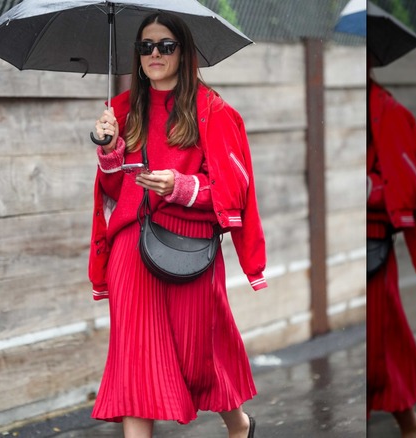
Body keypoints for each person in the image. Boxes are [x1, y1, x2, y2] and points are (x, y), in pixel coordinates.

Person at [87, 12, 266, 438]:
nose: (154, 54)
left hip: (191, 246)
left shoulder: (214, 111)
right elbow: (113, 189)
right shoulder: (120, 110)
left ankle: (238, 425)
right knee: (135, 359)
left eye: (165, 45)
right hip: (131, 246)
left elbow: (233, 192)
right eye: (145, 46)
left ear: (183, 52)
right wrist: (110, 150)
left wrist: (181, 186)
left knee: (200, 355)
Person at [366, 52, 416, 438]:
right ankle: (412, 424)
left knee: (378, 351)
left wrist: (370, 189)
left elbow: (410, 187)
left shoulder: (392, 114)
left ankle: (412, 424)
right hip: (357, 243)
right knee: (378, 352)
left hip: (375, 248)